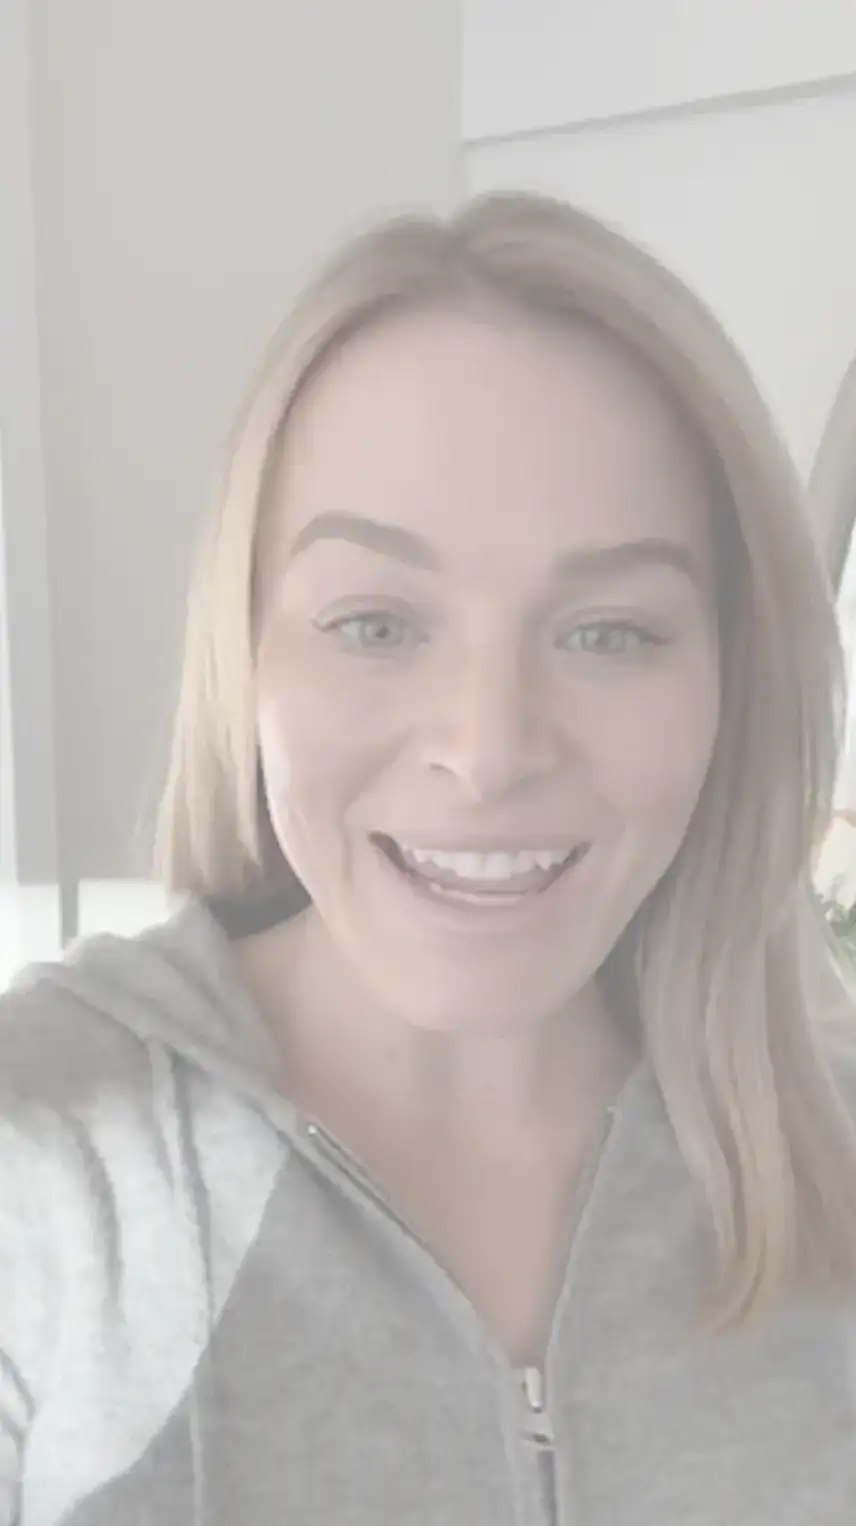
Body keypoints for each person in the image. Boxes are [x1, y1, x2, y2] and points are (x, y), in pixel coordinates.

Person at [3, 191, 856, 1526]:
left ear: (735, 682)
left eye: (612, 633)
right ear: (249, 652)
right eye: (377, 623)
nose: (490, 747)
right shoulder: (43, 1157)